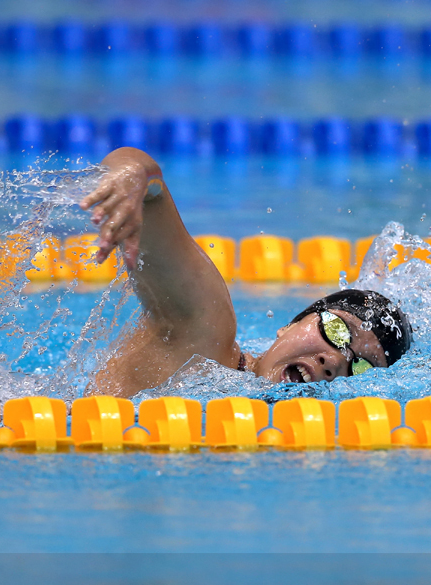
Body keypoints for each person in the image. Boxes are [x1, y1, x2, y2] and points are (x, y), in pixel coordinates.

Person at [80, 147, 412, 398]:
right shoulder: (204, 335)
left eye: (362, 366)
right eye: (338, 330)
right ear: (290, 325)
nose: (336, 360)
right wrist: (131, 176)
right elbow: (147, 183)